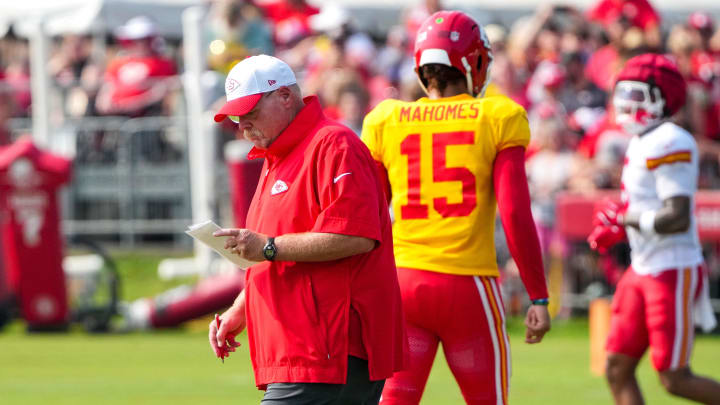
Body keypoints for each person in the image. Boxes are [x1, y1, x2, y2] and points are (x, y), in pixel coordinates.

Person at [361, 11, 551, 405]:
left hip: (402, 282)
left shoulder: (386, 118)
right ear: (475, 63)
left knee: (395, 400)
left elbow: (370, 214)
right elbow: (515, 213)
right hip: (466, 284)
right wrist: (539, 296)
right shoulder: (497, 115)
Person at [207, 54, 406, 405]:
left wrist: (268, 247)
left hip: (327, 347)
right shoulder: (278, 156)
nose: (243, 125)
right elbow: (278, 246)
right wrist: (243, 306)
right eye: (238, 117)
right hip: (302, 347)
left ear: (285, 97)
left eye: (251, 112)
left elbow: (356, 235)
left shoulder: (333, 145)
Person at [587, 53, 720, 405]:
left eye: (637, 95)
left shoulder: (671, 140)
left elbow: (676, 215)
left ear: (663, 99)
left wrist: (625, 219)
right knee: (615, 365)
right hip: (643, 266)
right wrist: (623, 223)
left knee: (675, 378)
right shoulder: (642, 139)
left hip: (671, 268)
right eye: (623, 94)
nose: (626, 104)